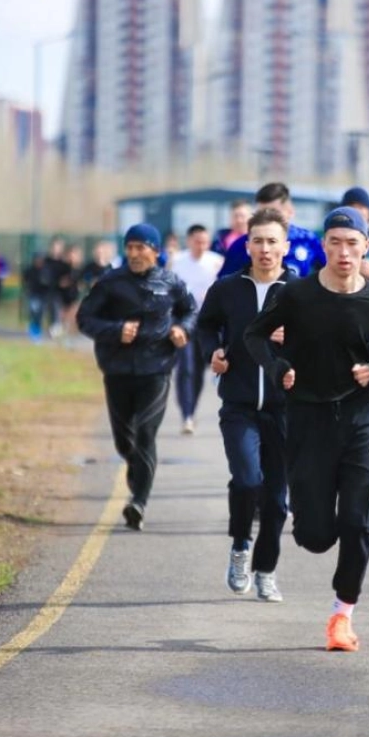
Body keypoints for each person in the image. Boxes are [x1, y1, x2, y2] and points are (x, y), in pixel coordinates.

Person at [244, 205, 369, 652]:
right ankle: (309, 513)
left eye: (352, 243)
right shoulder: (297, 296)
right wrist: (278, 369)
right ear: (323, 246)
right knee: (316, 537)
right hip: (307, 421)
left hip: (359, 422)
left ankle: (342, 616)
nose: (344, 252)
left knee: (359, 522)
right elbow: (254, 336)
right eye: (334, 242)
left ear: (365, 247)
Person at [196, 208, 291, 601]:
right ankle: (240, 546)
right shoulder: (227, 289)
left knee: (277, 501)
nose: (265, 249)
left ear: (285, 247)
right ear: (245, 245)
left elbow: (324, 344)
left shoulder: (300, 293)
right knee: (248, 479)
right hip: (238, 404)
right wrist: (212, 352)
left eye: (273, 241)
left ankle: (266, 569)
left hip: (286, 410)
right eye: (258, 241)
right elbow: (204, 326)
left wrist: (296, 342)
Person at [78, 223, 197, 531]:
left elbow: (191, 311)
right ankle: (137, 478)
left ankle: (138, 502)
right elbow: (85, 318)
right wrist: (116, 331)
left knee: (145, 432)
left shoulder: (171, 283)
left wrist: (183, 329)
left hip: (156, 369)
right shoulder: (110, 283)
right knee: (124, 441)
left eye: (140, 247)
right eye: (129, 247)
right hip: (117, 369)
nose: (134, 254)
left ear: (155, 251)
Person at [169, 224, 224, 434]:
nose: (201, 246)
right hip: (183, 320)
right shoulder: (178, 262)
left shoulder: (216, 262)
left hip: (206, 322)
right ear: (189, 240)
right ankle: (187, 415)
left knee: (199, 371)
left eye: (204, 242)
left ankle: (192, 408)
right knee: (186, 368)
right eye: (197, 241)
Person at [218, 182, 325, 278]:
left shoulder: (307, 239)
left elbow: (329, 272)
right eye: (262, 213)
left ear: (290, 211)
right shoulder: (241, 245)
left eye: (273, 212)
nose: (267, 218)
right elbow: (224, 284)